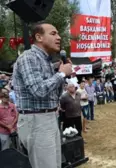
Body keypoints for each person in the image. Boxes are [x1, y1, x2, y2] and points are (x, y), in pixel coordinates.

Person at [12, 22, 73, 168]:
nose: (59, 37)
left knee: (55, 165)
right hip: (36, 119)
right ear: (39, 37)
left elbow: (53, 95)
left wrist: (60, 74)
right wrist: (61, 74)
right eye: (53, 34)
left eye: (58, 34)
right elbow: (38, 91)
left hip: (49, 117)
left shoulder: (46, 61)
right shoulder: (28, 58)